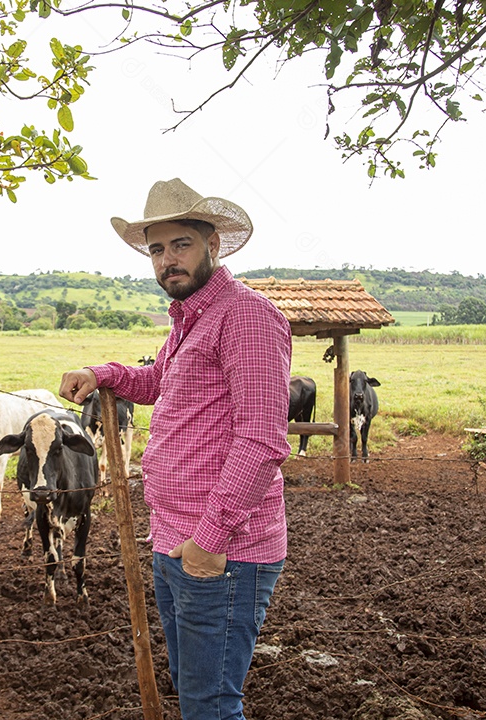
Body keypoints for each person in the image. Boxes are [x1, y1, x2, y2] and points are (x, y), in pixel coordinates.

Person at [59, 178, 292, 720]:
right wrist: (103, 374)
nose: (167, 260)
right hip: (173, 538)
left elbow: (262, 440)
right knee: (193, 692)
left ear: (213, 243)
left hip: (222, 550)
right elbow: (158, 380)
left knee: (210, 706)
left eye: (180, 245)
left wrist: (208, 541)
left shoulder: (247, 316)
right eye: (157, 249)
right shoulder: (191, 318)